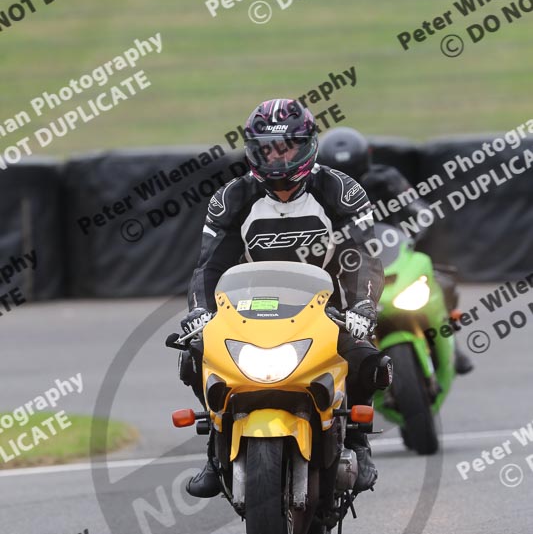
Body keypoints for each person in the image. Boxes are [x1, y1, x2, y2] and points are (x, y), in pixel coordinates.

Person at [180, 99, 393, 499]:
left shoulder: (341, 191)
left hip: (326, 311)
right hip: (248, 312)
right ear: (252, 151)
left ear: (308, 145)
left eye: (287, 147)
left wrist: (363, 306)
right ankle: (214, 449)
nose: (278, 158)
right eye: (267, 149)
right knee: (193, 354)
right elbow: (209, 266)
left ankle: (357, 441)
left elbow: (363, 257)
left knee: (368, 360)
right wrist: (199, 312)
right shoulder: (231, 198)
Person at [318, 127, 473, 374]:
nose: (348, 180)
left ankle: (452, 342)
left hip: (391, 249)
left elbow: (418, 207)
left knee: (441, 281)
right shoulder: (319, 189)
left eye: (352, 171)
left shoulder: (386, 179)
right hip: (346, 259)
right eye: (342, 172)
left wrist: (416, 228)